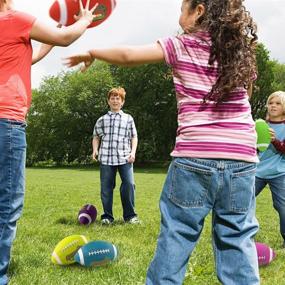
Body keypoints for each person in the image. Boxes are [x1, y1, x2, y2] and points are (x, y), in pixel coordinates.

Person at [64, 0, 260, 284]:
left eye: (183, 7)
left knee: (177, 234)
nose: (179, 14)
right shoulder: (239, 54)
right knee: (238, 236)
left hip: (195, 157)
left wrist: (94, 51)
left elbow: (129, 55)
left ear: (199, 11)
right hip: (242, 158)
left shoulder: (181, 45)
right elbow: (247, 96)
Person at [0, 0, 97, 284]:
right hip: (6, 121)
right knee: (6, 204)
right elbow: (66, 38)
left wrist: (51, 40)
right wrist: (85, 19)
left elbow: (23, 59)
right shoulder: (15, 18)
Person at [92, 87, 139, 225]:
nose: (115, 100)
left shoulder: (128, 118)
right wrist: (95, 150)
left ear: (122, 102)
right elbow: (95, 136)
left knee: (129, 184)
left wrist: (133, 152)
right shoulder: (102, 119)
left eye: (118, 98)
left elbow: (134, 137)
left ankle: (130, 216)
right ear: (108, 101)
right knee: (106, 188)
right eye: (112, 98)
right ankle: (107, 217)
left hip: (125, 157)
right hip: (106, 157)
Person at [255, 91, 285, 248]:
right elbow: (254, 149)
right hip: (257, 171)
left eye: (278, 103)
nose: (273, 105)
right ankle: (240, 235)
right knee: (242, 202)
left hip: (279, 173)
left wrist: (275, 141)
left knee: (283, 207)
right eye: (271, 102)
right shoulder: (259, 125)